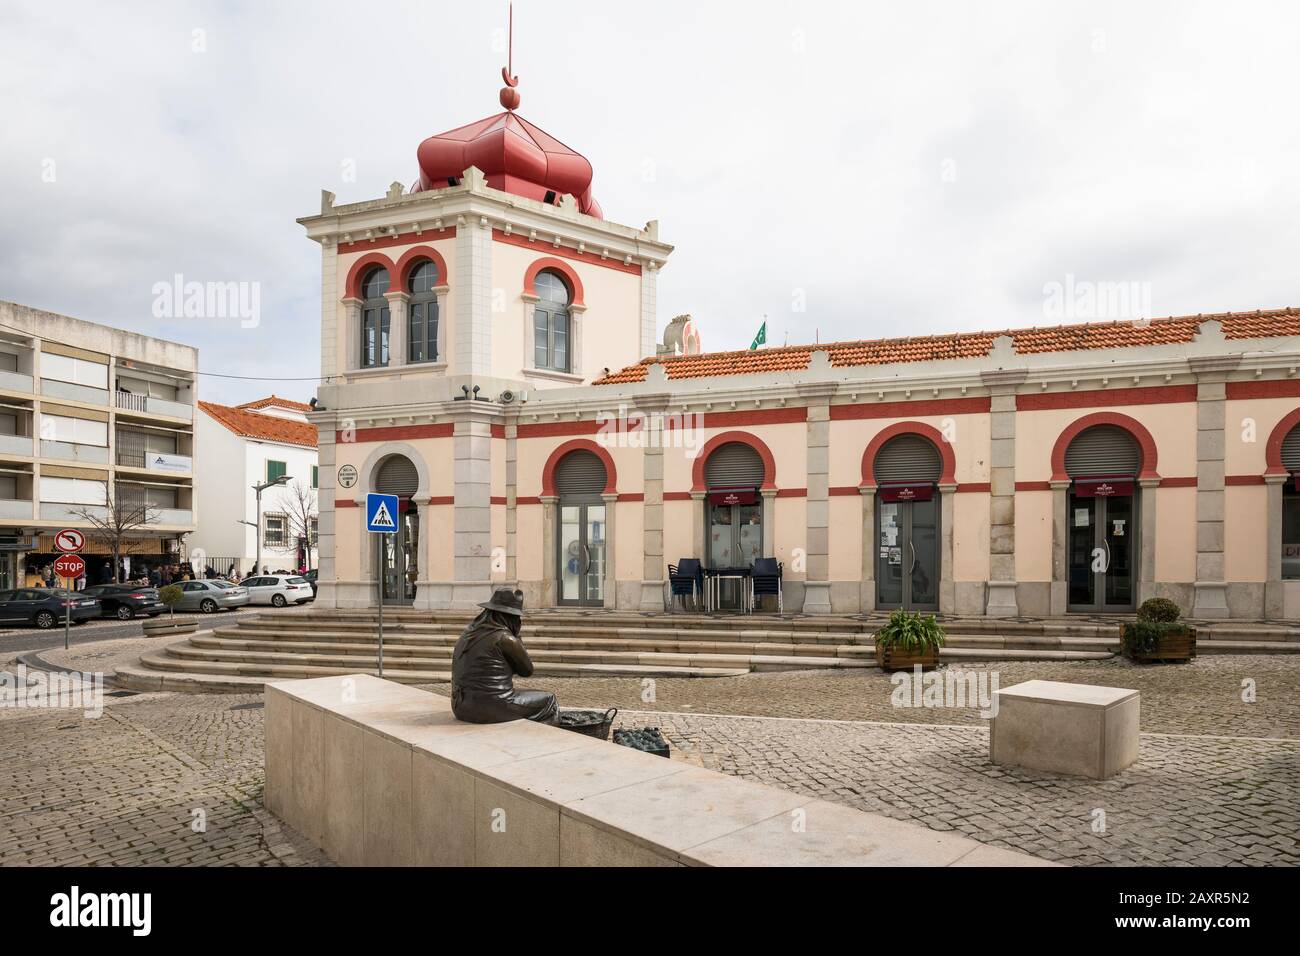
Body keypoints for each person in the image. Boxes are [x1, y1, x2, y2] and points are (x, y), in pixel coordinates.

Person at [450, 588, 558, 725]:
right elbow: (527, 671)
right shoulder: (505, 638)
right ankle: (540, 741)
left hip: (460, 707)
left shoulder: (467, 634)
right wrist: (517, 636)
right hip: (491, 707)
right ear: (512, 617)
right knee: (550, 700)